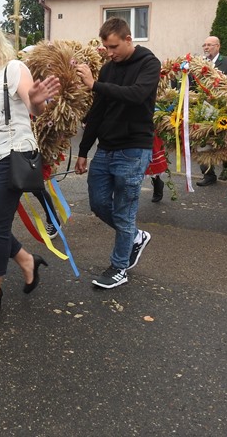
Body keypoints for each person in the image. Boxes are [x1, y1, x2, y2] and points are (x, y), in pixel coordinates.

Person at [0, 21, 60, 318]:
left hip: (11, 154)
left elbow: (34, 105)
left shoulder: (13, 69)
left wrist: (39, 102)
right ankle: (27, 260)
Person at [74, 17, 161, 289]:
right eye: (106, 47)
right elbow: (98, 112)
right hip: (106, 148)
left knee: (124, 211)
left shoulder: (149, 63)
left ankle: (119, 267)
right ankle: (135, 236)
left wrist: (94, 85)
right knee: (98, 203)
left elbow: (136, 95)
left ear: (128, 39)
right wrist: (83, 150)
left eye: (114, 47)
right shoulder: (108, 69)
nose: (110, 53)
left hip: (134, 149)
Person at [197, 36, 227, 186]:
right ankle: (208, 174)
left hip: (222, 108)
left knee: (223, 140)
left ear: (218, 46)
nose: (206, 47)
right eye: (204, 45)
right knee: (201, 139)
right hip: (202, 108)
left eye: (209, 45)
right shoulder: (199, 63)